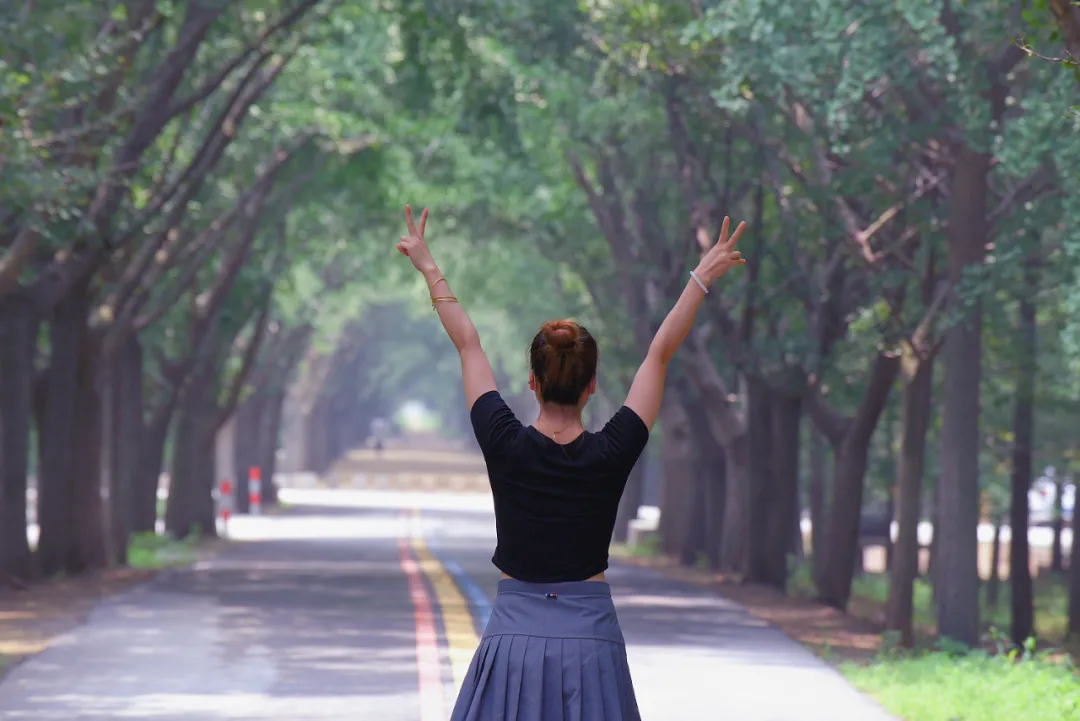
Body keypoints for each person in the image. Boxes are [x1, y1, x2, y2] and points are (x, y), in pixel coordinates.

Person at [396, 205, 746, 721]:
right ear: (592, 386)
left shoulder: (504, 442)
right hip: (591, 647)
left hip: (511, 643)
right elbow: (659, 354)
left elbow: (467, 343)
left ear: (533, 382)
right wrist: (700, 277)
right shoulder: (612, 450)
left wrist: (430, 267)